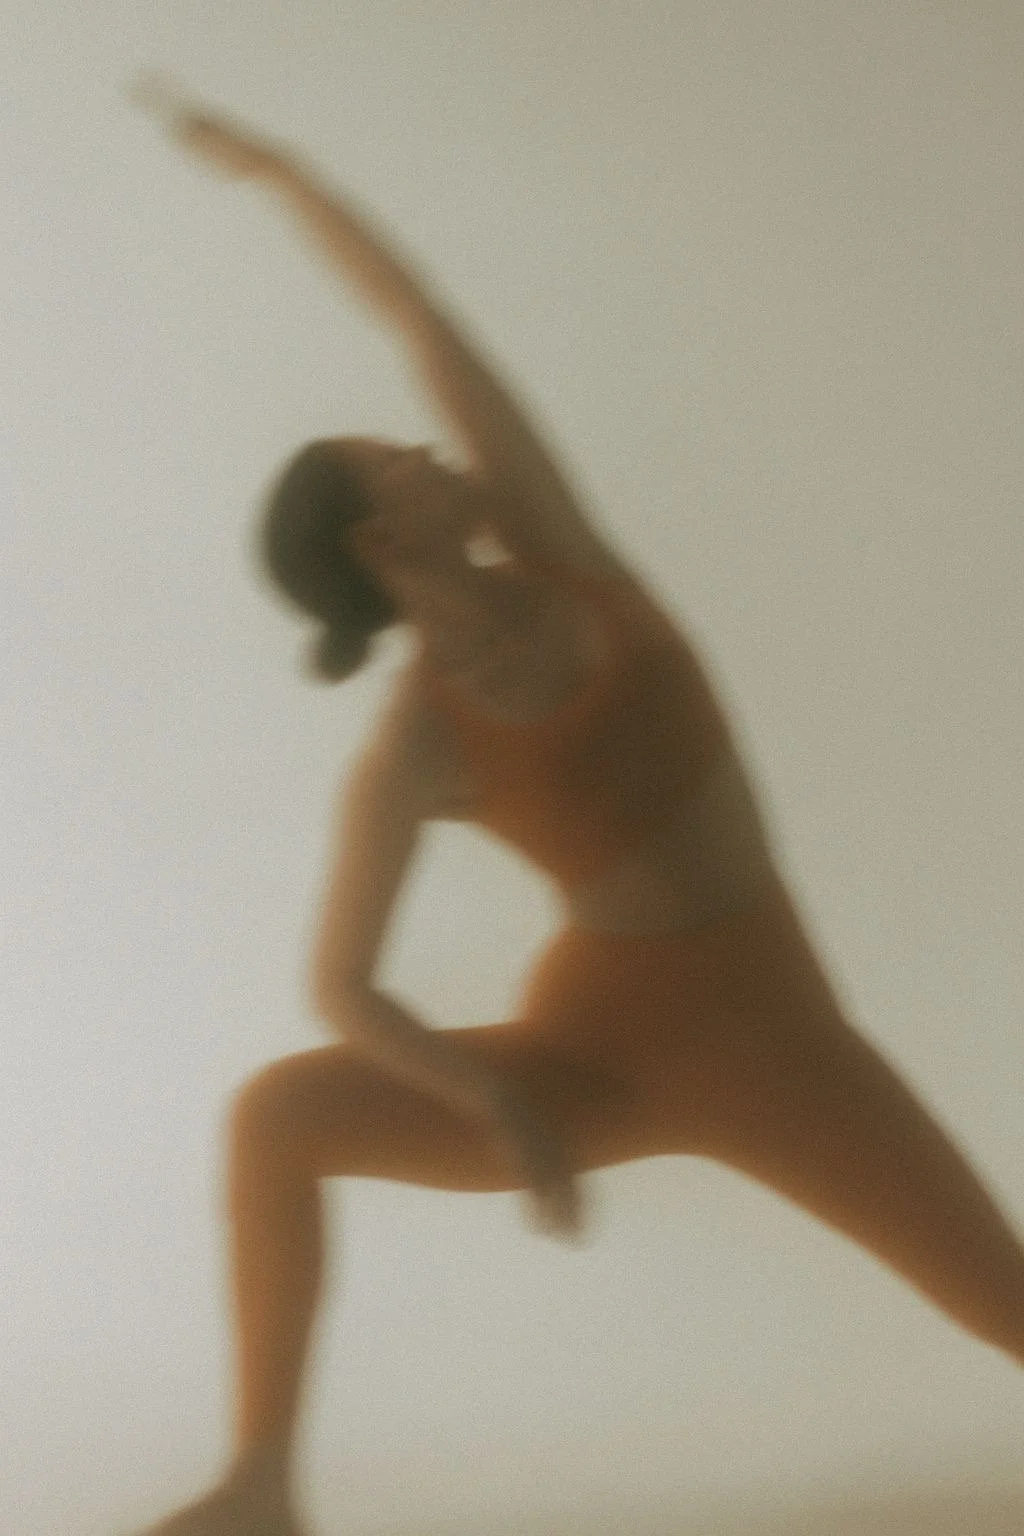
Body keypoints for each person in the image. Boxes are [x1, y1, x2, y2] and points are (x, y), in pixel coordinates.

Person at [127, 80, 1024, 1536]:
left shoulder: (559, 548)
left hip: (774, 1041)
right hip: (592, 1056)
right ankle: (261, 1486)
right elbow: (342, 984)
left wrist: (280, 175)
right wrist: (490, 1095)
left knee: (1008, 1304)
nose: (428, 451)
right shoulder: (417, 746)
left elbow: (419, 320)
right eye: (397, 462)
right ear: (383, 538)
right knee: (276, 1120)